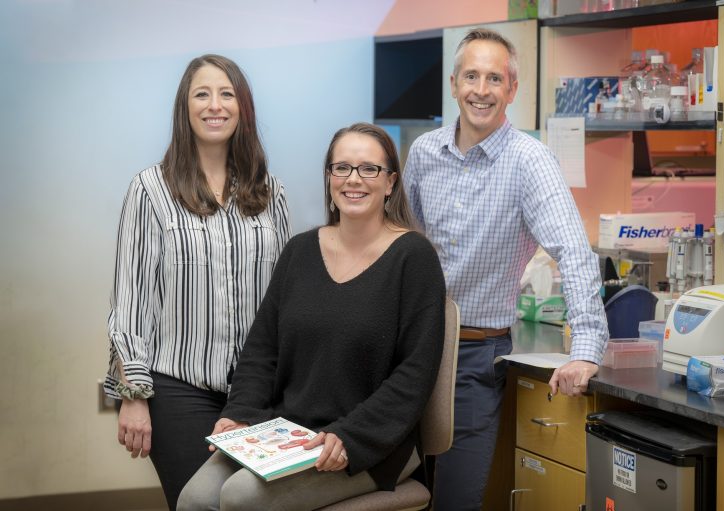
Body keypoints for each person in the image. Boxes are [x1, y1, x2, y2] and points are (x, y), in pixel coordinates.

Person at [176, 123, 446, 511]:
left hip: (372, 443)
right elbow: (261, 350)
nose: (354, 179)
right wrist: (240, 414)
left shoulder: (414, 258)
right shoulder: (300, 251)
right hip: (288, 433)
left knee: (240, 499)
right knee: (195, 500)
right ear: (329, 179)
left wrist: (351, 436)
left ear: (390, 183)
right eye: (342, 168)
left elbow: (415, 373)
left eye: (369, 169)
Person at [403, 28, 609, 510]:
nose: (481, 89)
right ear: (453, 84)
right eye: (471, 76)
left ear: (511, 90)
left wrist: (585, 348)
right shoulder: (422, 154)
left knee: (455, 499)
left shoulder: (529, 161)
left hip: (476, 356)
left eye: (494, 78)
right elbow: (399, 246)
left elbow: (573, 250)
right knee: (395, 492)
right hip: (410, 350)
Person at [105, 54, 291, 510]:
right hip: (178, 390)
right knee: (202, 504)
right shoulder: (150, 190)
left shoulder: (271, 192)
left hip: (257, 393)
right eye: (202, 94)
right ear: (184, 108)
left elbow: (287, 300)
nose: (215, 105)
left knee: (256, 504)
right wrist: (133, 395)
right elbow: (131, 301)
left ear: (242, 108)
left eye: (227, 94)